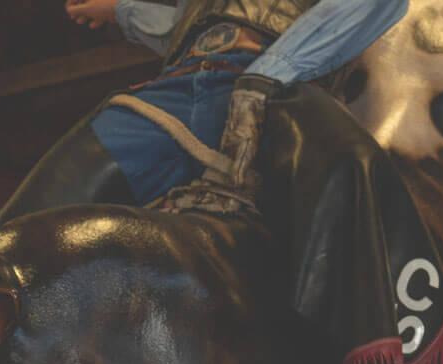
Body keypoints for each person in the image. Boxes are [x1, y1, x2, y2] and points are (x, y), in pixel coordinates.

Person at [60, 0, 408, 208]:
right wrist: (122, 11)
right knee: (48, 205)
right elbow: (190, 26)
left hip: (279, 95)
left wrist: (268, 75)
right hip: (177, 89)